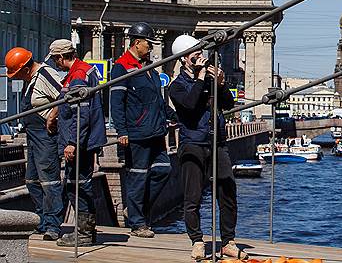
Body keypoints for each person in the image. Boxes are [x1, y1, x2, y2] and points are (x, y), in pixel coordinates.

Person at [167, 34, 246, 261]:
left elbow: (228, 104)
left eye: (201, 53)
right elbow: (190, 105)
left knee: (228, 192)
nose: (201, 57)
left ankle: (228, 241)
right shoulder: (177, 86)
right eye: (196, 55)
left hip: (217, 141)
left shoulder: (209, 79)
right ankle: (197, 241)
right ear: (184, 59)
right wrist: (202, 78)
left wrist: (220, 85)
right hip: (193, 143)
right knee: (193, 197)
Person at [109, 21, 173, 238]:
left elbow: (157, 100)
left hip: (156, 131)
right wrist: (121, 131)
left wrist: (173, 117)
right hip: (137, 133)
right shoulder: (121, 67)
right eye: (149, 43)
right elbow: (116, 103)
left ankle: (135, 210)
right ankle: (138, 223)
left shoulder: (149, 68)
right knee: (138, 178)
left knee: (164, 170)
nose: (152, 47)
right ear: (137, 43)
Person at [49, 39, 107, 247]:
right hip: (85, 140)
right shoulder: (83, 71)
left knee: (77, 185)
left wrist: (72, 142)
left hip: (80, 141)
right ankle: (86, 232)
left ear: (60, 57)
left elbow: (80, 113)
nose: (55, 63)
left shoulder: (78, 76)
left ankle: (83, 234)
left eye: (55, 59)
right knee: (79, 184)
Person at [4, 47, 65, 241]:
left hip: (45, 136)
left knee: (49, 181)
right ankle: (42, 219)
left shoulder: (45, 73)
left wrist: (52, 118)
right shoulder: (30, 80)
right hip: (33, 135)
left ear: (25, 68)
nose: (16, 78)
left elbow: (63, 95)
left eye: (17, 74)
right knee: (32, 181)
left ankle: (53, 224)